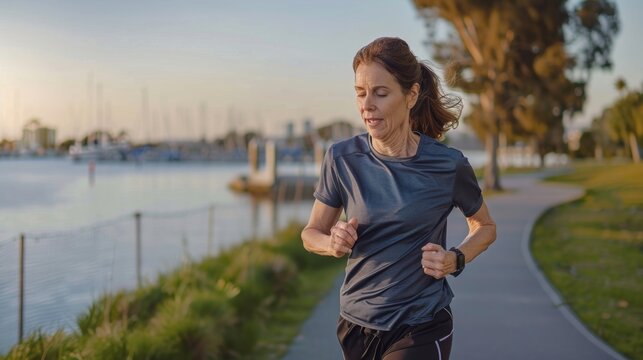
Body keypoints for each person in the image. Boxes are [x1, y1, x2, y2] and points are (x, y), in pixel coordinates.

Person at [301, 37, 497, 360]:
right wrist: (331, 242)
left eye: (380, 93)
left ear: (412, 95)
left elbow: (485, 227)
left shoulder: (447, 165)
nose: (367, 105)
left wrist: (454, 259)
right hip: (356, 325)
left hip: (421, 323)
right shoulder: (341, 158)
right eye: (360, 93)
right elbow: (310, 233)